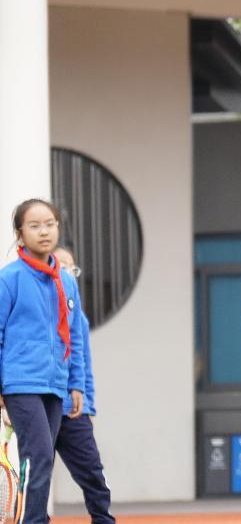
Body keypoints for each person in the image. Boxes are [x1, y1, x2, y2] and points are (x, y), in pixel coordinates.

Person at [0, 199, 86, 524]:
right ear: (20, 234)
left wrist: (76, 382)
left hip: (55, 383)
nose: (44, 231)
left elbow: (74, 336)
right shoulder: (9, 279)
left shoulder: (67, 281)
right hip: (20, 383)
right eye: (34, 226)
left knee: (43, 458)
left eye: (49, 224)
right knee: (37, 455)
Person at [53, 246, 116, 524]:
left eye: (72, 268)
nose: (67, 272)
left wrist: (88, 404)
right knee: (38, 476)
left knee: (93, 473)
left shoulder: (79, 318)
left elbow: (84, 365)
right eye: (61, 265)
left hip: (74, 409)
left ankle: (102, 519)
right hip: (41, 404)